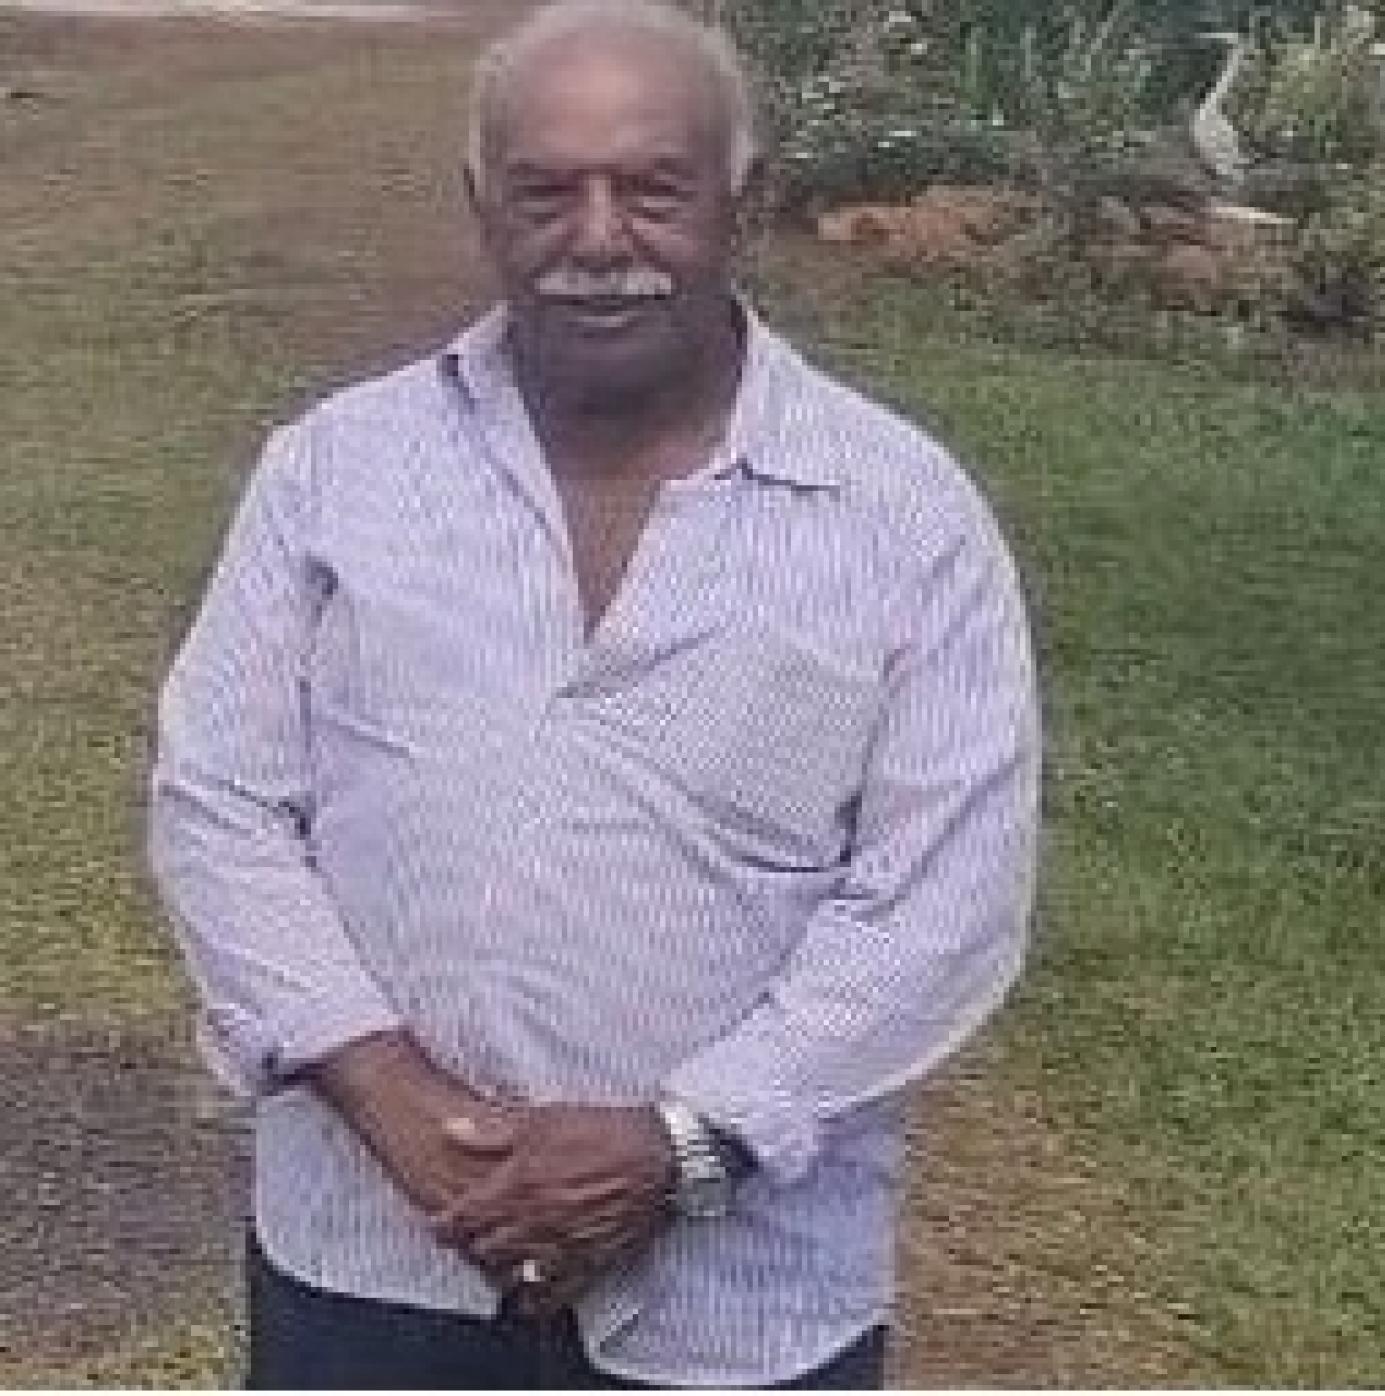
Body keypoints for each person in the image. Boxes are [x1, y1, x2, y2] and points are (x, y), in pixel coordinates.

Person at [147, 0, 1041, 1388]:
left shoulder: (898, 515)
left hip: (740, 1304)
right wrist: (393, 1101)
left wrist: (682, 1143)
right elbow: (220, 804)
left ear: (744, 200)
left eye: (653, 189)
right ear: (481, 206)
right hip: (370, 1253)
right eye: (546, 192)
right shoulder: (338, 469)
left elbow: (942, 899)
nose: (600, 239)